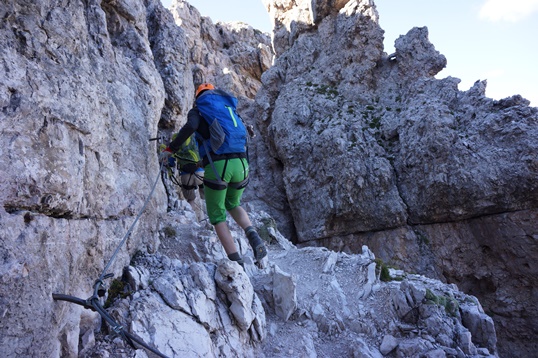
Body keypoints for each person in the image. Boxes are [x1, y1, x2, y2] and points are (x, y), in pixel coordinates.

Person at [159, 83, 267, 267]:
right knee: (233, 203)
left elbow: (191, 127)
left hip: (219, 166)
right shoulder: (228, 108)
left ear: (198, 96)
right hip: (242, 164)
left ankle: (236, 262)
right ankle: (254, 236)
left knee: (217, 216)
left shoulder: (199, 110)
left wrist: (171, 149)